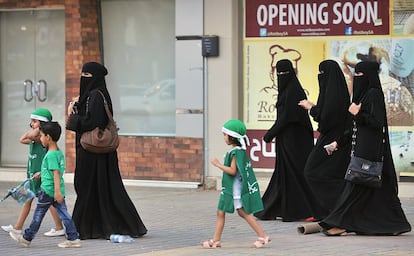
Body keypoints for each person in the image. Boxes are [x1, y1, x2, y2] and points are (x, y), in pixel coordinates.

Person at [319, 61, 412, 236]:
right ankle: (395, 224)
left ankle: (338, 223)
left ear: (368, 76)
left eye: (360, 75)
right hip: (364, 151)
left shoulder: (374, 94)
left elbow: (376, 123)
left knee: (354, 189)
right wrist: (337, 143)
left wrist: (358, 113)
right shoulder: (364, 95)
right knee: (379, 193)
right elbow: (356, 127)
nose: (357, 78)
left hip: (370, 153)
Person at [66, 62, 147, 239]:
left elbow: (93, 122)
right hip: (99, 154)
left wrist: (73, 116)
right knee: (102, 189)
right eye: (83, 75)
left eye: (87, 76)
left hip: (93, 152)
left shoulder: (95, 95)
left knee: (89, 187)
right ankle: (98, 227)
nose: (84, 78)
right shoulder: (96, 94)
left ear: (95, 78)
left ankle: (84, 228)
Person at [254, 59, 321, 222]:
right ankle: (282, 208)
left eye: (283, 73)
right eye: (278, 73)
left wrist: (270, 134)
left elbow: (287, 117)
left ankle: (305, 209)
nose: (280, 76)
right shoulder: (288, 90)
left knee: (296, 174)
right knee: (286, 174)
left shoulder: (294, 92)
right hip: (287, 141)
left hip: (296, 143)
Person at [9, 121, 81, 248]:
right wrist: (41, 174)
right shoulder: (58, 153)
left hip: (48, 191)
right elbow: (53, 171)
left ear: (48, 137)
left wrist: (57, 192)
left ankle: (26, 238)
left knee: (38, 216)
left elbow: (56, 174)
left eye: (41, 136)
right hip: (55, 191)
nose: (40, 138)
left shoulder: (51, 155)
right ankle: (73, 238)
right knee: (65, 215)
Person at [202, 119, 270, 249]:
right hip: (231, 189)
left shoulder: (236, 152)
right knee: (223, 212)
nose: (224, 138)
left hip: (234, 191)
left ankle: (262, 236)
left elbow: (233, 171)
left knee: (234, 212)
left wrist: (217, 165)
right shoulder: (238, 151)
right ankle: (216, 240)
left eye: (225, 135)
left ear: (232, 137)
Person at [298, 60, 353, 219]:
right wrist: (315, 108)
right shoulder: (334, 91)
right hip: (332, 139)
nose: (320, 76)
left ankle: (337, 210)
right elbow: (326, 114)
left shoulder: (334, 94)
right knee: (326, 174)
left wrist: (311, 108)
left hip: (333, 141)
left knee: (312, 172)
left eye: (322, 73)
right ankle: (325, 212)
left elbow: (327, 119)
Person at [1, 108, 64, 237]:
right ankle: (18, 227)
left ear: (42, 124)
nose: (31, 124)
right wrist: (35, 129)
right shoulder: (36, 139)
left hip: (41, 175)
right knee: (31, 199)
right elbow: (22, 139)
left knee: (46, 200)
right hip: (32, 173)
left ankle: (59, 227)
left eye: (34, 121)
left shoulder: (43, 140)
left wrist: (38, 129)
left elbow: (28, 136)